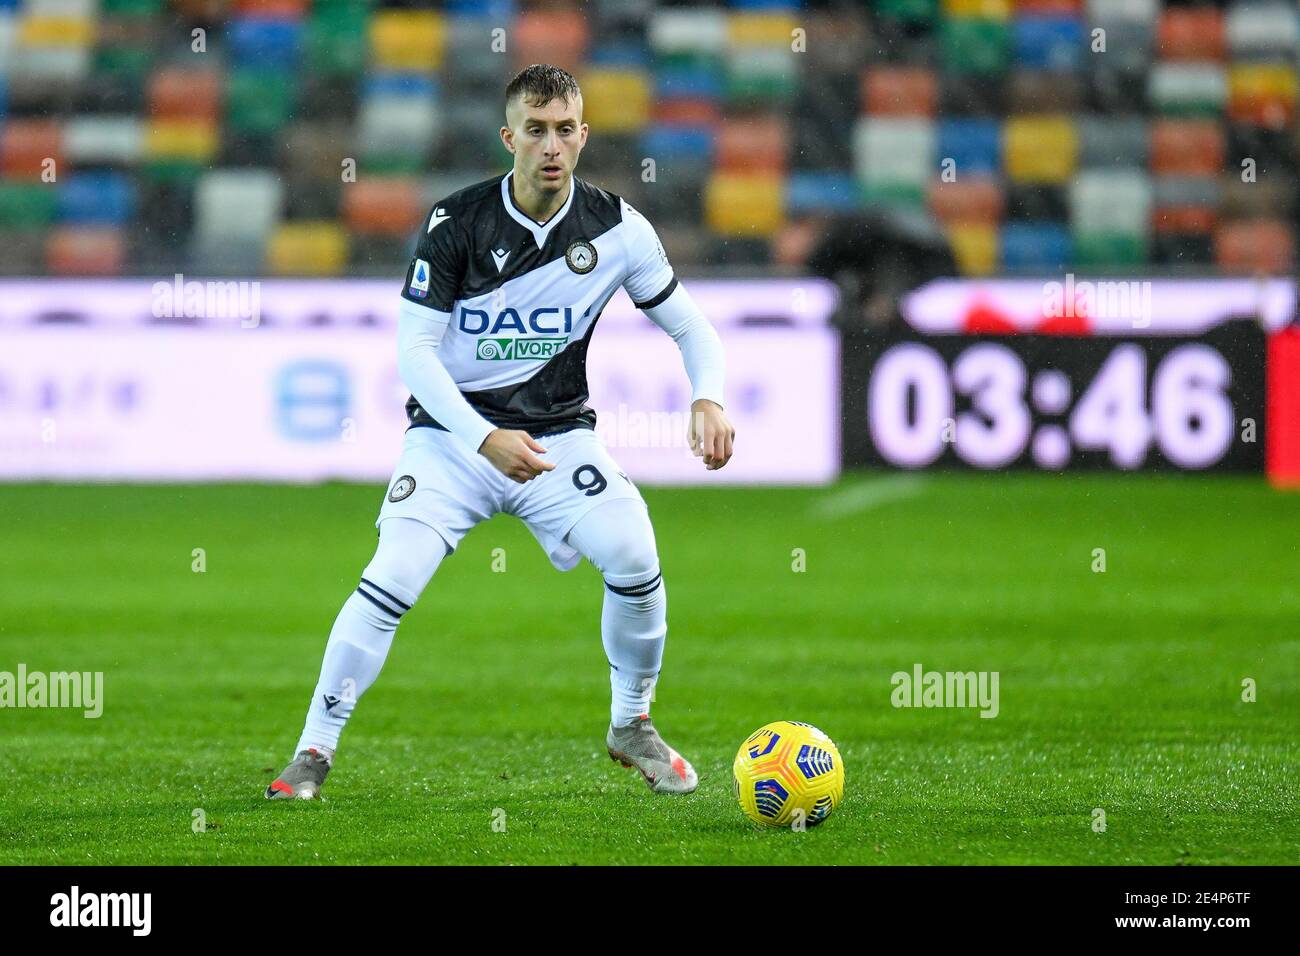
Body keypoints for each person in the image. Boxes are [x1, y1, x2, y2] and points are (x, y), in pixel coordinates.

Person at [266, 64, 734, 799]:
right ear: (508, 135)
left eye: (565, 129)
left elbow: (692, 328)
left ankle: (630, 722)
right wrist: (483, 436)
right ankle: (313, 752)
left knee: (635, 555)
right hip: (452, 443)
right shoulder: (456, 222)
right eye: (536, 129)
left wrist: (707, 397)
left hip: (557, 440)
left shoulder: (618, 229)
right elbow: (413, 357)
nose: (551, 145)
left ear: (584, 135)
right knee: (393, 576)